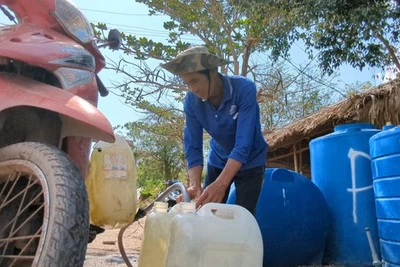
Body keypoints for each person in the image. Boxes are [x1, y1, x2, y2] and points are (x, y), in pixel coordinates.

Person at [160, 46, 268, 215]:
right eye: (187, 83)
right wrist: (195, 184)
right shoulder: (191, 102)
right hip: (218, 159)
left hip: (251, 161)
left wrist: (222, 183)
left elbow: (243, 144)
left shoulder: (244, 89)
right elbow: (193, 146)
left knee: (242, 216)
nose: (192, 89)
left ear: (212, 73)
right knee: (209, 213)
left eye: (195, 81)